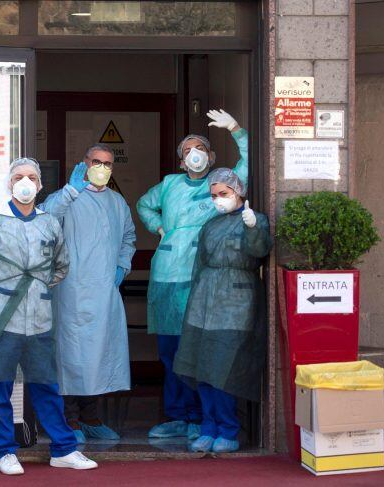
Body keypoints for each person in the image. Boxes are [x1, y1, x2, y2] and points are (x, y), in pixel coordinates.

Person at [0, 157, 98, 475]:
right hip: (0, 319)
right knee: (0, 385)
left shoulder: (49, 222)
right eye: (19, 176)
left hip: (38, 319)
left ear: (40, 185)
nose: (25, 182)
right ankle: (4, 451)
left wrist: (35, 290)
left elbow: (61, 265)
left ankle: (63, 449)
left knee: (46, 385)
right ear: (9, 183)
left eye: (31, 177)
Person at [136, 109, 248, 440]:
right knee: (171, 353)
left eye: (200, 148)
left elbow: (251, 164)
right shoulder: (170, 184)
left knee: (199, 350)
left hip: (201, 279)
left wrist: (237, 130)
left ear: (210, 156)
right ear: (182, 161)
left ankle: (202, 417)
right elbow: (144, 204)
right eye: (187, 151)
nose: (194, 154)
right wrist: (159, 228)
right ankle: (179, 416)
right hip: (168, 276)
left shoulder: (221, 183)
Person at [39, 144, 136, 443]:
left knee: (98, 355)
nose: (102, 168)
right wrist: (71, 190)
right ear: (84, 164)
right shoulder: (68, 198)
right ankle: (71, 420)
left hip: (105, 289)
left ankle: (92, 417)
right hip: (71, 289)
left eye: (107, 163)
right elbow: (46, 217)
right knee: (71, 354)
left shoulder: (117, 202)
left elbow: (128, 238)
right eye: (96, 162)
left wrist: (122, 266)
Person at [173, 168, 272, 453]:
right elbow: (200, 264)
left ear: (238, 191)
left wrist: (254, 228)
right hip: (205, 301)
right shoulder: (211, 225)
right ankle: (208, 427)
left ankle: (228, 429)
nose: (218, 199)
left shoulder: (254, 220)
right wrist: (194, 298)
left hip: (236, 305)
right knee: (202, 367)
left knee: (224, 369)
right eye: (214, 195)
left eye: (224, 194)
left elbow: (259, 251)